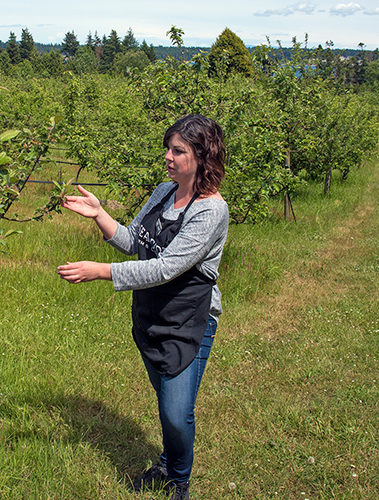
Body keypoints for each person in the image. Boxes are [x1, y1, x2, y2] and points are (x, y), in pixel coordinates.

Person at [57, 115, 229, 500]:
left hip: (190, 320)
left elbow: (167, 267)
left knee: (175, 410)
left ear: (203, 156)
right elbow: (135, 240)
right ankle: (169, 463)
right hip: (153, 314)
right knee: (167, 401)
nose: (167, 157)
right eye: (167, 148)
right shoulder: (164, 192)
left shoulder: (211, 210)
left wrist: (100, 271)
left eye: (178, 151)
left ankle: (178, 478)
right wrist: (100, 215)